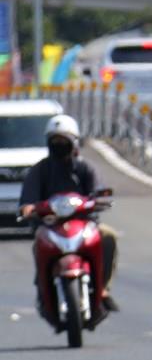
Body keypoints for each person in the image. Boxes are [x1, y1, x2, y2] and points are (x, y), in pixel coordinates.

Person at [18, 113, 118, 311]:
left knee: (108, 237)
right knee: (39, 243)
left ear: (74, 142)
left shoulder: (85, 168)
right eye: (55, 141)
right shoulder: (40, 170)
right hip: (50, 226)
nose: (60, 145)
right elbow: (27, 201)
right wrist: (29, 209)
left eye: (64, 141)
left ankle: (103, 287)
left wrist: (97, 201)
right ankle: (43, 288)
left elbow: (98, 192)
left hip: (84, 224)